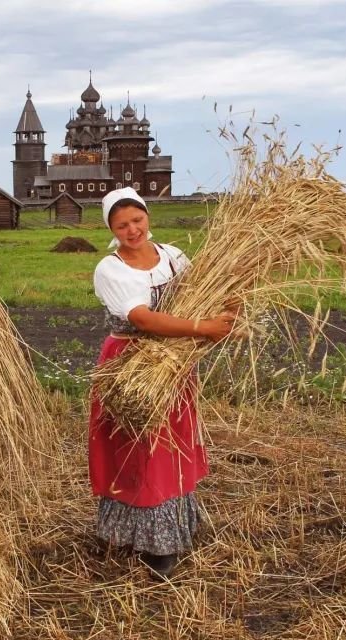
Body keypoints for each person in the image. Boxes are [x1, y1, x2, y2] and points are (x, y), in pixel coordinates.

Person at [89, 187, 234, 580]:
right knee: (137, 448)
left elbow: (202, 294)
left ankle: (172, 531)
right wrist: (204, 328)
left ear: (147, 216)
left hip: (173, 363)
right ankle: (146, 542)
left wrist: (231, 302)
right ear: (111, 228)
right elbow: (143, 319)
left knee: (173, 444)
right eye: (122, 225)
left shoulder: (172, 256)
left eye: (137, 220)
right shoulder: (110, 269)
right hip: (131, 366)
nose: (133, 229)